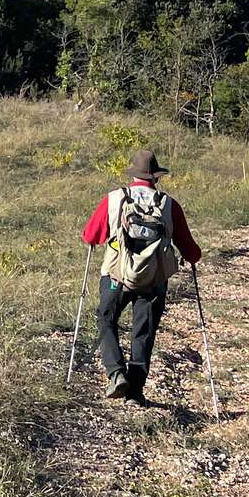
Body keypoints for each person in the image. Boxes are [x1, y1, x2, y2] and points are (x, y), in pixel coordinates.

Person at [79, 151, 203, 401]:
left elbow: (90, 236)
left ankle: (116, 374)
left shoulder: (114, 199)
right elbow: (191, 252)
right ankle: (135, 392)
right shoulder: (169, 204)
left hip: (116, 275)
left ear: (134, 175)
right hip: (153, 280)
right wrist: (190, 256)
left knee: (106, 319)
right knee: (144, 330)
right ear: (156, 177)